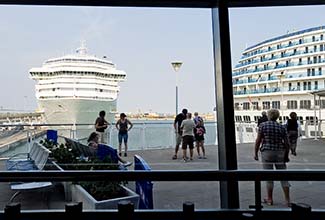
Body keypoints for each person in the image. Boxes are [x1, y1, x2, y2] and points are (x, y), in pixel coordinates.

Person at [254, 109, 291, 207]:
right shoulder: (282, 127)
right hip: (280, 153)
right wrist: (286, 156)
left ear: (269, 116)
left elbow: (258, 140)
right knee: (284, 177)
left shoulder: (263, 125)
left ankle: (269, 199)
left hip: (267, 152)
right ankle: (287, 200)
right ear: (277, 117)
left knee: (269, 177)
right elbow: (287, 143)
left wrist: (255, 153)